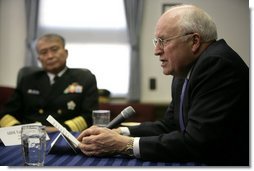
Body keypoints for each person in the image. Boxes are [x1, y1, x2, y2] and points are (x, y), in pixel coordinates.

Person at [76, 4, 249, 166]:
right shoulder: (185, 70)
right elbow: (169, 126)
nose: (156, 50)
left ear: (194, 41)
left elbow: (197, 142)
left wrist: (124, 145)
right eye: (156, 41)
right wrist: (120, 133)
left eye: (163, 41)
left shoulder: (217, 65)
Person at [0, 33, 99, 132]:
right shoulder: (28, 80)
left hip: (65, 136)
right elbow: (6, 114)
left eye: (55, 49)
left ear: (66, 53)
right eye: (43, 52)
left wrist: (60, 130)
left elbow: (89, 115)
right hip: (28, 137)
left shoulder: (84, 78)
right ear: (39, 59)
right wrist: (18, 130)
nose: (50, 56)